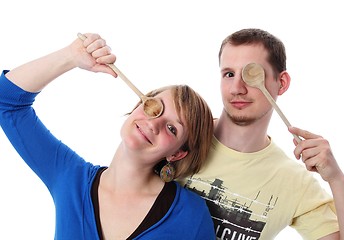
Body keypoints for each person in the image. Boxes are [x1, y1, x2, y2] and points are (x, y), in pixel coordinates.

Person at [0, 33, 216, 239]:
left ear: (177, 154)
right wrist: (70, 56)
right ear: (137, 107)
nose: (154, 123)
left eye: (172, 128)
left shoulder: (190, 216)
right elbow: (6, 100)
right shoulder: (70, 177)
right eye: (154, 107)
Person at [179, 28, 344, 239]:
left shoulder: (294, 182)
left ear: (281, 83)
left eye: (251, 74)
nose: (237, 88)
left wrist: (336, 179)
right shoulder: (178, 137)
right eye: (229, 74)